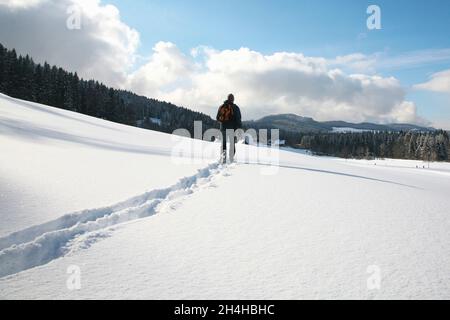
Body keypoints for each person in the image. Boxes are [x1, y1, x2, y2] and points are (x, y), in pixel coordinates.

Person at [216, 94, 242, 163]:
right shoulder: (235, 107)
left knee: (224, 143)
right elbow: (238, 119)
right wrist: (239, 128)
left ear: (227, 98)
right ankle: (231, 158)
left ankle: (223, 158)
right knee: (232, 143)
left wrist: (223, 122)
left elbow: (217, 118)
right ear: (233, 99)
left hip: (223, 128)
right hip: (232, 128)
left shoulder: (221, 106)